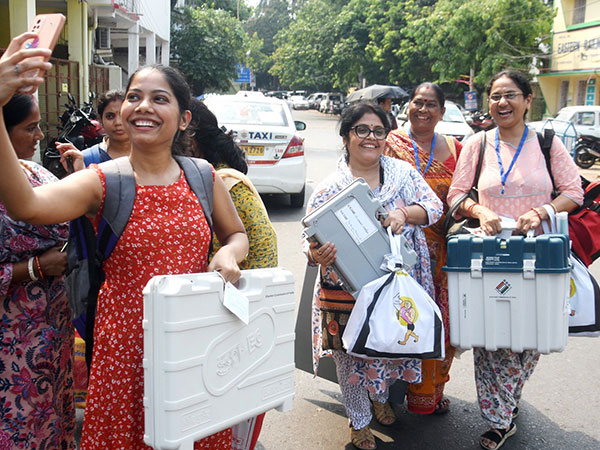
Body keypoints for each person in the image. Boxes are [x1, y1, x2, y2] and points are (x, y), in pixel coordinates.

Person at [0, 33, 249, 450]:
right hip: (124, 351)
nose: (143, 107)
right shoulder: (102, 180)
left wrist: (227, 252)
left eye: (159, 98)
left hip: (194, 345)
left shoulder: (203, 176)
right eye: (134, 97)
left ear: (184, 119)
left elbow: (237, 234)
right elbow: (26, 204)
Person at [447, 70, 583, 450]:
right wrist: (478, 211)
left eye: (510, 95)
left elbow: (575, 192)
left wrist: (542, 210)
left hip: (537, 256)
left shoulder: (547, 143)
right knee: (489, 336)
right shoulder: (477, 143)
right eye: (495, 96)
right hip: (488, 255)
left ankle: (505, 401)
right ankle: (499, 419)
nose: (501, 103)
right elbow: (455, 197)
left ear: (528, 100)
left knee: (529, 337)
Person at [304, 102, 442, 450]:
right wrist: (316, 256)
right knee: (350, 354)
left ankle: (379, 395)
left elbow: (434, 206)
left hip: (396, 285)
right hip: (344, 290)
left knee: (388, 345)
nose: (370, 138)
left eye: (378, 131)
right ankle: (359, 419)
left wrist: (403, 212)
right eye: (361, 130)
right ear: (346, 136)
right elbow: (309, 245)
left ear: (386, 137)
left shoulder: (404, 174)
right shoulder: (329, 188)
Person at [189, 98, 278, 450]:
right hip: (247, 306)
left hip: (237, 307)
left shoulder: (218, 181)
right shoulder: (225, 173)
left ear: (191, 138)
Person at [0, 90, 75, 449]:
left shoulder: (34, 171)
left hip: (51, 328)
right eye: (30, 128)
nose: (40, 136)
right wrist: (33, 268)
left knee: (53, 418)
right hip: (10, 341)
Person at [384, 82, 461, 416]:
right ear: (408, 107)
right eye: (417, 102)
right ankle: (385, 391)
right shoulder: (390, 143)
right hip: (402, 249)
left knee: (443, 323)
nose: (423, 109)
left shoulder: (458, 149)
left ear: (442, 112)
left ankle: (431, 392)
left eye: (431, 104)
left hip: (445, 254)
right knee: (400, 320)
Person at [56, 89, 130, 168]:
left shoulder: (144, 155)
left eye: (123, 115)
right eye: (110, 116)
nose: (118, 122)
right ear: (100, 120)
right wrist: (78, 171)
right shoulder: (86, 159)